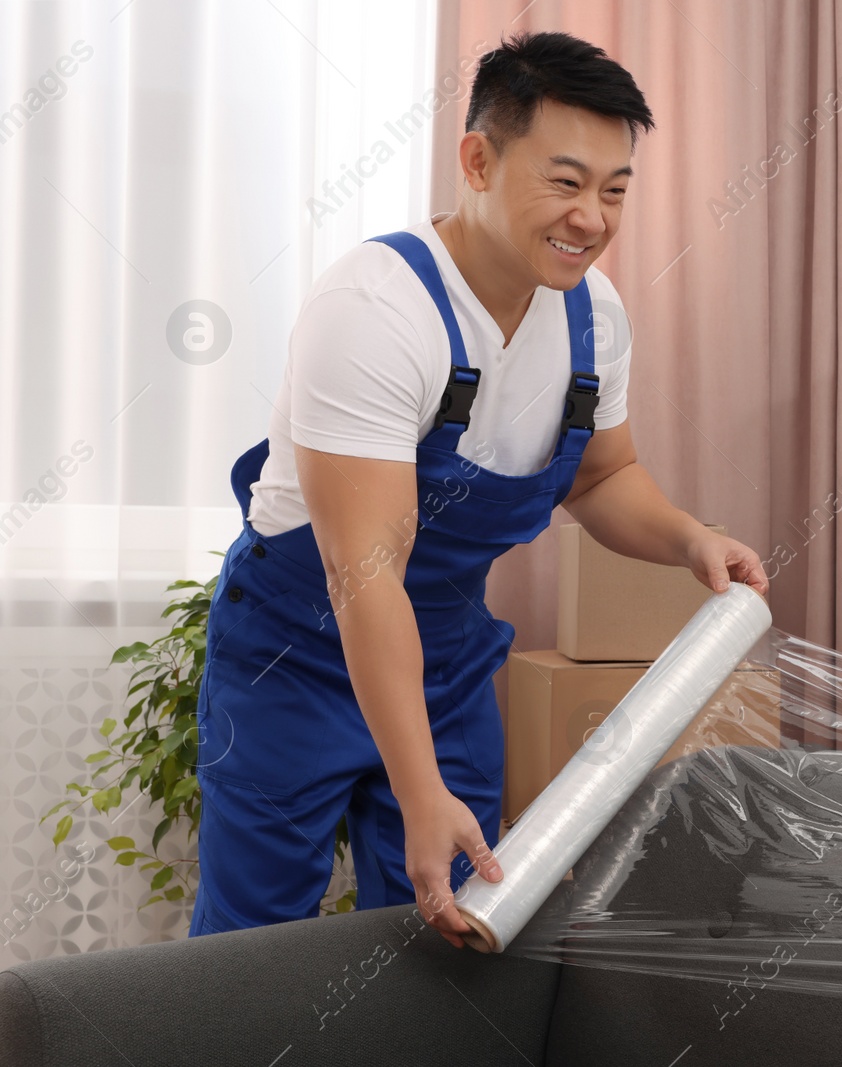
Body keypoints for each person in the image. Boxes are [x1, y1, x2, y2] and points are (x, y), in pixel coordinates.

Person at [187, 31, 768, 947]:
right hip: (293, 661)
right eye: (567, 182)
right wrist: (421, 793)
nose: (593, 218)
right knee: (251, 943)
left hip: (447, 660)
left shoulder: (593, 316)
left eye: (616, 190)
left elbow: (604, 474)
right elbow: (363, 574)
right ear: (477, 160)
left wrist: (688, 537)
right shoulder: (376, 310)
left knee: (451, 935)